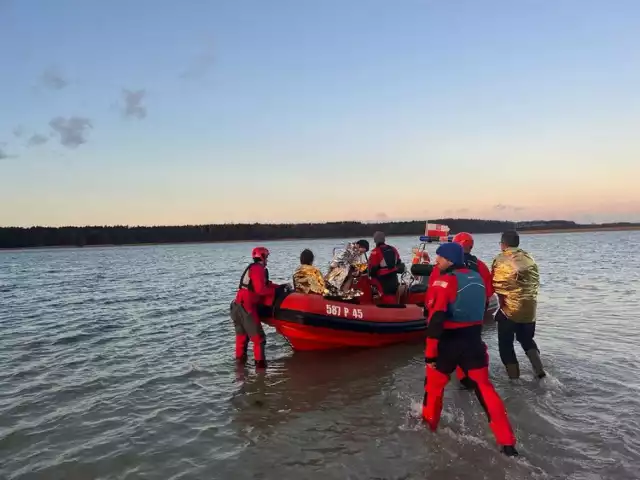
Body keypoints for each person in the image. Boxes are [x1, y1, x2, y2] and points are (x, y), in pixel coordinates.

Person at [422, 242, 518, 457]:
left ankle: (428, 430)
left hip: (448, 341)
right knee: (484, 388)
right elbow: (482, 307)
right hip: (474, 340)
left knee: (434, 386)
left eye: (440, 257)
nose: (437, 261)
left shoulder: (444, 281)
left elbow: (436, 319)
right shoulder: (478, 279)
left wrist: (430, 355)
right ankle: (507, 443)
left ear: (450, 260)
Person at [492, 230, 544, 379]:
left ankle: (514, 382)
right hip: (529, 310)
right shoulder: (529, 258)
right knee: (527, 339)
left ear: (504, 244)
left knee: (506, 346)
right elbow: (534, 283)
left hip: (509, 310)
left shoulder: (500, 259)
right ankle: (540, 371)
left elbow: (495, 283)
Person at [450, 232, 494, 389]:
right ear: (471, 245)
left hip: (456, 311)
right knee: (474, 341)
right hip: (476, 312)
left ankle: (463, 377)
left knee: (456, 343)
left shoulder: (449, 265)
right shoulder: (480, 265)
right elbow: (488, 291)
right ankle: (478, 373)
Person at [230, 246, 275, 368]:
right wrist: (275, 292)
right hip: (247, 308)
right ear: (263, 256)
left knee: (241, 339)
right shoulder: (258, 269)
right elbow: (261, 290)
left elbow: (263, 285)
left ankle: (240, 370)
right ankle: (261, 371)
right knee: (259, 339)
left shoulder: (252, 268)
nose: (267, 260)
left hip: (236, 307)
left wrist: (277, 287)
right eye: (267, 257)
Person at [368, 231, 403, 304]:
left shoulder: (375, 252)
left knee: (384, 297)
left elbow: (372, 269)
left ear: (375, 240)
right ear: (384, 239)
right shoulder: (393, 249)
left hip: (382, 279)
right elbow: (399, 262)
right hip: (394, 278)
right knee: (392, 296)